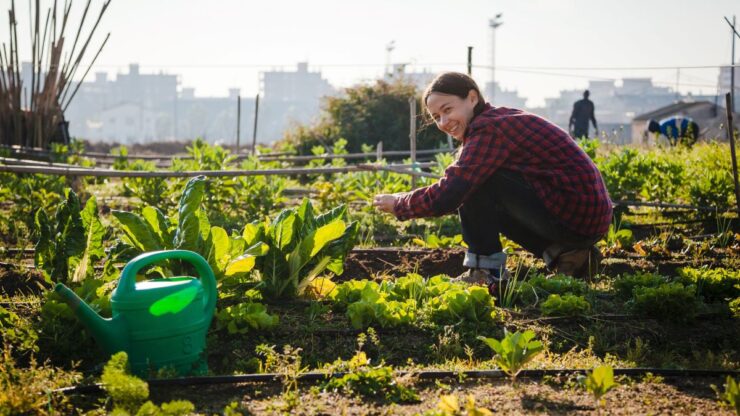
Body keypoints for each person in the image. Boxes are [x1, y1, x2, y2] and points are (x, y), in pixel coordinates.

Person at [373, 72, 612, 294]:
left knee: (473, 183)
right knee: (475, 181)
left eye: (447, 109)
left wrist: (401, 204)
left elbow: (451, 193)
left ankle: (486, 272)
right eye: (436, 117)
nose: (444, 122)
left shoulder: (489, 128)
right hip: (584, 218)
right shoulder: (496, 121)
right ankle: (571, 254)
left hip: (577, 215)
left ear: (472, 98)